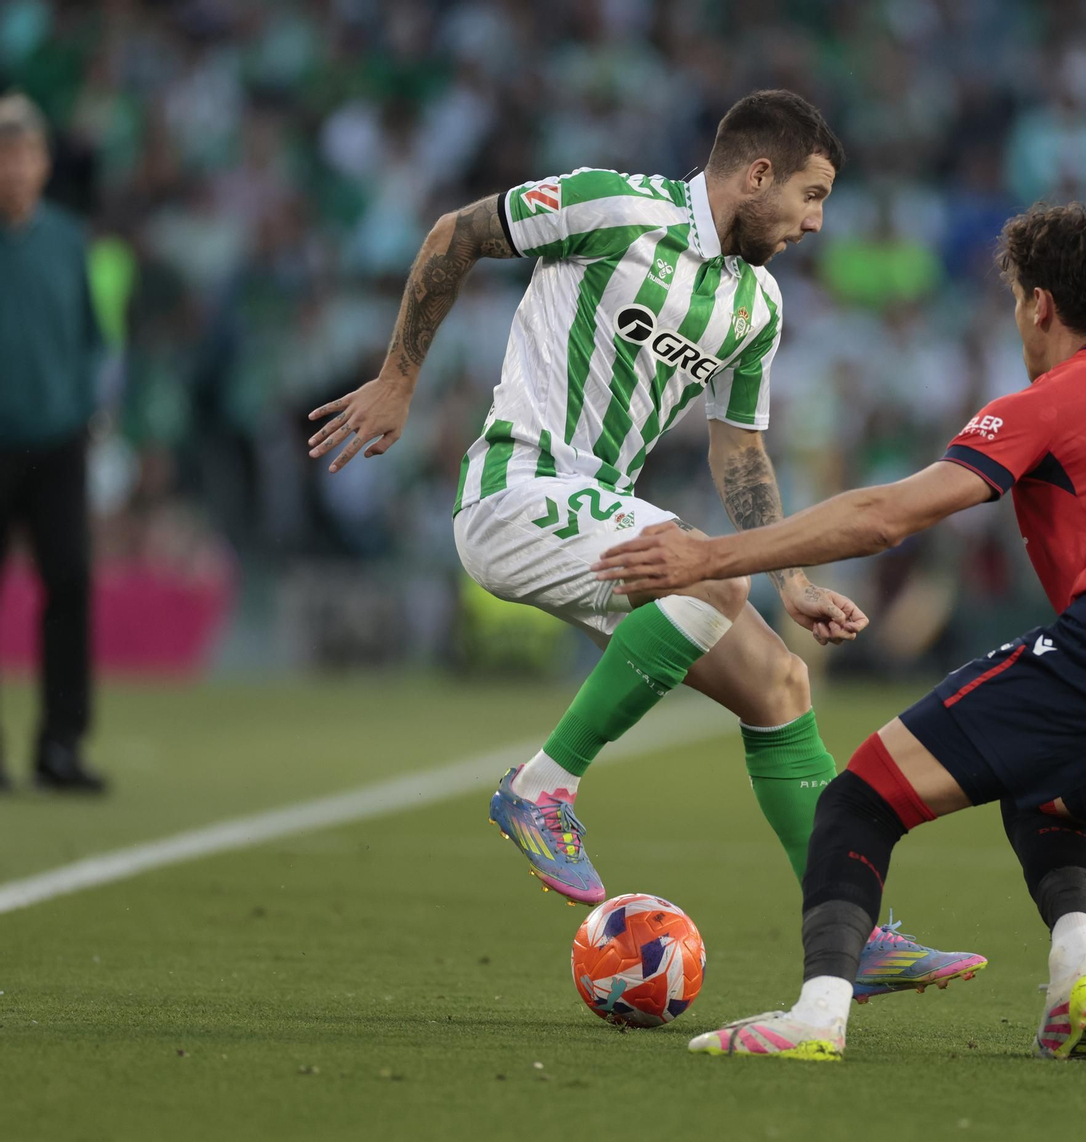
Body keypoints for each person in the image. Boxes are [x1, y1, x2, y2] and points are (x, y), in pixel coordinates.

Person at [306, 90, 983, 1000]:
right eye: (811, 196)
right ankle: (540, 789)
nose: (817, 223)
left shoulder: (757, 303)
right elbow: (454, 233)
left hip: (601, 515)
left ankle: (853, 936)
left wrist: (793, 577)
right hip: (514, 491)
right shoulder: (613, 208)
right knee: (707, 583)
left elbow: (738, 449)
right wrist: (398, 381)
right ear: (756, 175)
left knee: (780, 684)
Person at [595, 202, 1086, 1061]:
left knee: (857, 798)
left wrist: (710, 556)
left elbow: (886, 516)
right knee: (1043, 791)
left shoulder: (1057, 396)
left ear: (1037, 306)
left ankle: (816, 1018)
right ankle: (1079, 963)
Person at [0, 91, 106, 793]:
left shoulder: (68, 241)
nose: (14, 166)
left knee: (68, 584)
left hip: (59, 438)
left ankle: (59, 746)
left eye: (24, 151)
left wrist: (87, 412)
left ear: (42, 162)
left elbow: (91, 342)